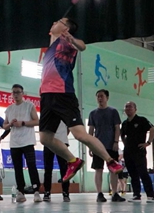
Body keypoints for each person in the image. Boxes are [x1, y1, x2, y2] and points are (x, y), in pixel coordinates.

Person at [37, 16, 124, 186]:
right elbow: (52, 33)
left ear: (66, 29)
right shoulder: (52, 45)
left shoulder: (67, 42)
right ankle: (73, 161)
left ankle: (110, 161)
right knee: (45, 138)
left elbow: (82, 46)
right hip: (46, 96)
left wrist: (71, 39)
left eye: (58, 21)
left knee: (80, 134)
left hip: (63, 93)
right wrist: (55, 29)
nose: (53, 22)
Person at [3, 83, 41, 201]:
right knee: (17, 168)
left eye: (18, 92)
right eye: (13, 92)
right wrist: (10, 124)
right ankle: (20, 191)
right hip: (15, 143)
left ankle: (36, 191)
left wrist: (23, 123)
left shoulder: (29, 105)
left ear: (22, 93)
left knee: (31, 166)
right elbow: (4, 126)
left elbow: (37, 121)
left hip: (28, 141)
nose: (16, 94)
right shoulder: (9, 109)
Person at [88, 89, 124, 202]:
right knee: (98, 169)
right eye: (98, 96)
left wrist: (116, 142)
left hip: (111, 145)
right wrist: (90, 145)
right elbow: (91, 130)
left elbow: (117, 128)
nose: (100, 98)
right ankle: (99, 193)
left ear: (107, 98)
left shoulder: (113, 112)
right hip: (97, 146)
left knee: (113, 169)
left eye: (102, 96)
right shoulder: (93, 113)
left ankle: (115, 193)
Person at [120, 101, 154, 202]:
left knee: (143, 173)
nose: (128, 108)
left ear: (135, 109)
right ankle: (136, 195)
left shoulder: (142, 120)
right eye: (126, 107)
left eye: (130, 106)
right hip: (128, 152)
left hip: (139, 151)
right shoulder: (125, 123)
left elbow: (152, 129)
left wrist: (148, 142)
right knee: (133, 174)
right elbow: (122, 135)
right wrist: (125, 144)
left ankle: (151, 195)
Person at [40, 121, 71, 202]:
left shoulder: (65, 114)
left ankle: (65, 192)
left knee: (64, 169)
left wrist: (63, 136)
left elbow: (69, 127)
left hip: (62, 141)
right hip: (48, 141)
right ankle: (47, 191)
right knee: (48, 168)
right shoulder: (47, 114)